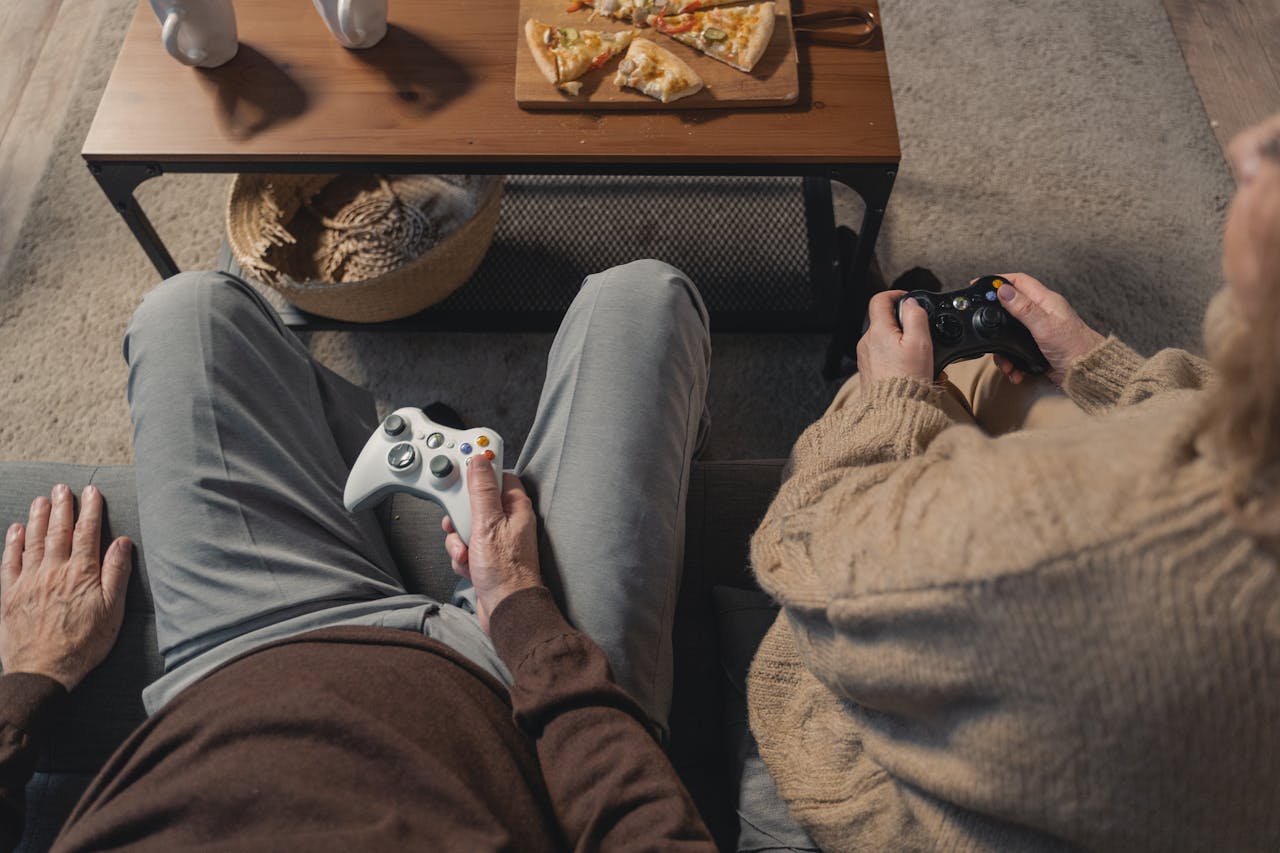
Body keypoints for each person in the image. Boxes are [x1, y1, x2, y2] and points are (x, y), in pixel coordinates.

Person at [0, 260, 718, 850]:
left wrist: (31, 676)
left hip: (239, 664)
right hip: (519, 715)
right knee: (639, 303)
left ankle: (354, 454)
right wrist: (525, 611)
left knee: (188, 311)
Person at [747, 113, 1280, 851]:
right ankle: (921, 346)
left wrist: (884, 405)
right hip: (1159, 765)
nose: (1246, 146)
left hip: (925, 797)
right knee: (983, 373)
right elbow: (1217, 414)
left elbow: (806, 560)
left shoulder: (1076, 543)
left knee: (872, 410)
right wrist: (1095, 360)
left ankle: (881, 352)